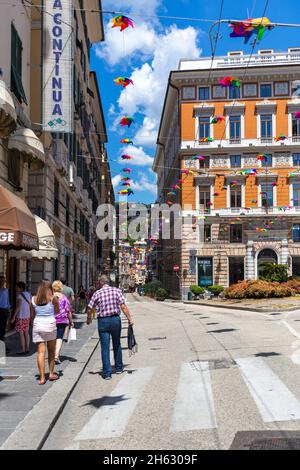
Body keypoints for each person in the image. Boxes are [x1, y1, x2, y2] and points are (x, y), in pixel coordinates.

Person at [86, 275, 134, 380]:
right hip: (115, 320)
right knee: (117, 344)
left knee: (105, 347)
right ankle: (119, 368)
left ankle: (107, 373)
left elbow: (90, 307)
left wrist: (89, 319)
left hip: (103, 321)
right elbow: (123, 306)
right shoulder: (117, 291)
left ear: (100, 283)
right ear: (108, 282)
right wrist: (130, 318)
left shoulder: (97, 293)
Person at [31, 281, 60, 385]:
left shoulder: (33, 299)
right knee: (51, 351)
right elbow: (57, 312)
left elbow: (32, 315)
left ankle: (42, 378)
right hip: (50, 325)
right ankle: (51, 374)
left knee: (40, 352)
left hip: (38, 325)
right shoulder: (53, 298)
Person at [52, 280, 73, 364]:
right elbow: (68, 310)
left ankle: (53, 354)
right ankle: (56, 356)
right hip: (62, 320)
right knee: (59, 337)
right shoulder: (64, 297)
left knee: (52, 338)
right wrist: (71, 321)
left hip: (51, 320)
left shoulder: (50, 296)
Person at [10, 282, 31, 354]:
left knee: (21, 333)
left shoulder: (19, 296)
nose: (16, 288)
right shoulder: (28, 294)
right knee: (26, 332)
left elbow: (18, 307)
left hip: (21, 317)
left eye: (17, 287)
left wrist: (13, 317)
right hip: (27, 316)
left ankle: (23, 349)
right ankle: (27, 348)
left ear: (21, 287)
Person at [0, 276, 10, 350]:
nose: (2, 282)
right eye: (1, 281)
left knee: (3, 329)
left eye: (3, 281)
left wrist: (8, 310)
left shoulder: (6, 290)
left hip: (4, 311)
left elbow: (7, 301)